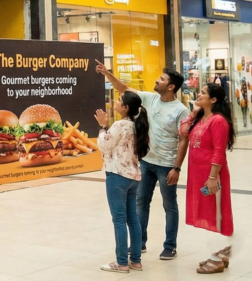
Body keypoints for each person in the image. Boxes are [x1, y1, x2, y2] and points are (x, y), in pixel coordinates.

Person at [96, 62, 188, 260]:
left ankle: (170, 245)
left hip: (167, 165)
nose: (157, 80)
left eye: (162, 79)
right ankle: (140, 243)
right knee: (141, 203)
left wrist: (177, 167)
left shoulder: (180, 110)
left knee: (169, 205)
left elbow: (183, 140)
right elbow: (124, 89)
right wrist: (107, 74)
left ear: (171, 86)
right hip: (145, 162)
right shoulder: (150, 98)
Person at [173, 84, 236, 274]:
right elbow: (183, 131)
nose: (198, 94)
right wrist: (194, 114)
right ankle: (222, 253)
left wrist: (212, 177)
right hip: (198, 174)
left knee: (215, 214)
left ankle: (217, 257)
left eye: (203, 93)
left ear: (214, 100)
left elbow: (219, 151)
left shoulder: (218, 121)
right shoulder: (201, 118)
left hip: (211, 175)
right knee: (208, 213)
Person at [95, 91, 150, 273]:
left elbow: (104, 145)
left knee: (119, 219)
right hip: (133, 176)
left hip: (117, 175)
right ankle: (135, 260)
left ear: (125, 107)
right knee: (132, 219)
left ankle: (121, 262)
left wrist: (102, 128)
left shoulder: (119, 124)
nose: (115, 102)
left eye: (119, 100)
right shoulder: (136, 125)